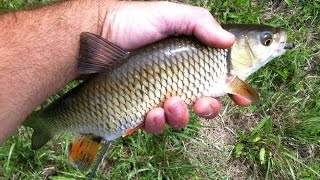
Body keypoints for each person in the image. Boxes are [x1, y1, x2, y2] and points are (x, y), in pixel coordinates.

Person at [0, 0, 250, 144]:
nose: (274, 44)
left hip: (114, 82)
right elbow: (247, 93)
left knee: (143, 115)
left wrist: (103, 24)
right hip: (110, 78)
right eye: (267, 42)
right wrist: (102, 25)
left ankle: (61, 126)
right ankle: (49, 123)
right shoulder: (230, 71)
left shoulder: (230, 74)